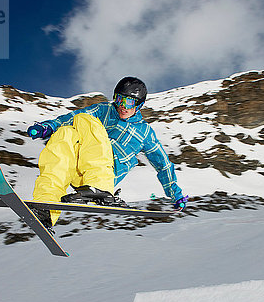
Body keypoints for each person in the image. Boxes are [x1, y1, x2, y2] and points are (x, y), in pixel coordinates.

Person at [27, 76, 188, 229]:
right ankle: (45, 209)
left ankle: (99, 187)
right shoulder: (104, 110)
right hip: (80, 170)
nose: (123, 106)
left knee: (90, 123)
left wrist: (176, 194)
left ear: (139, 105)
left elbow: (163, 165)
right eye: (119, 100)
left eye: (130, 102)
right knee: (66, 132)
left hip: (107, 173)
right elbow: (73, 116)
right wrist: (49, 126)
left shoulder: (145, 132)